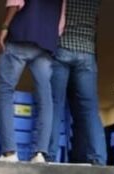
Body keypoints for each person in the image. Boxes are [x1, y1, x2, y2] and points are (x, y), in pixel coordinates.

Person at [0, 0, 64, 163]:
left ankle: (10, 153)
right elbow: (60, 24)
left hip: (21, 35)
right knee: (45, 98)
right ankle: (39, 154)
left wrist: (4, 27)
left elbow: (16, 1)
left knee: (5, 92)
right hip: (46, 43)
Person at [48, 0, 107, 165]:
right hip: (87, 53)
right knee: (90, 110)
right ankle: (99, 157)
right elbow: (96, 20)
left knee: (55, 105)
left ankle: (49, 155)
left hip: (62, 48)